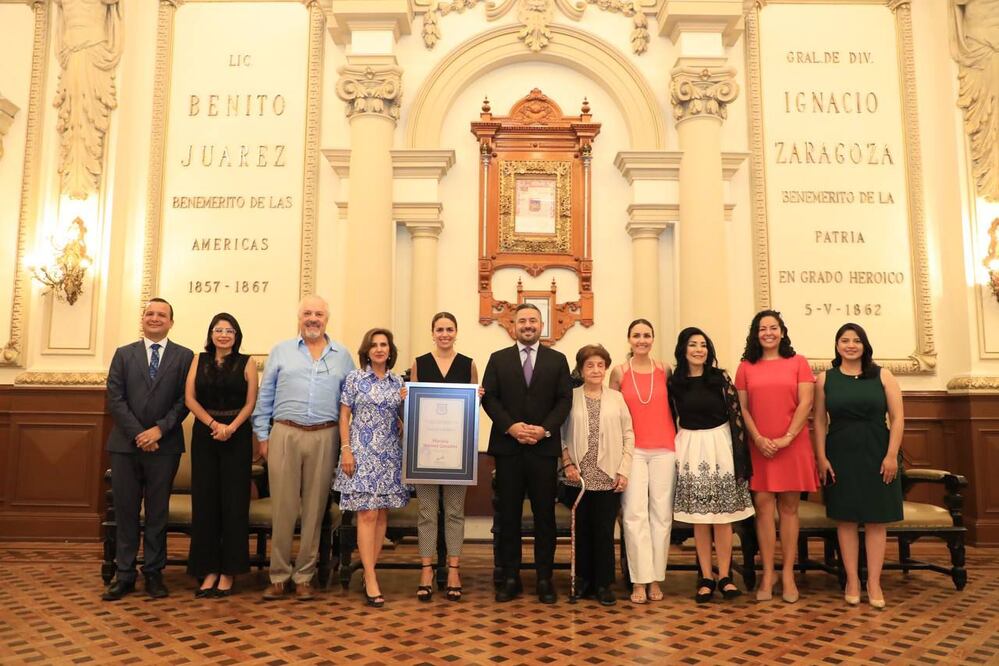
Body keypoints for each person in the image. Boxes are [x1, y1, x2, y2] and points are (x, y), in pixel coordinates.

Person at [252, 295, 355, 601]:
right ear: (299, 318)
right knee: (282, 508)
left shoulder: (343, 356)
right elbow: (265, 396)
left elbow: (349, 403)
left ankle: (304, 576)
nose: (313, 318)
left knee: (314, 509)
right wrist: (263, 436)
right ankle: (279, 575)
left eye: (319, 314)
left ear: (327, 319)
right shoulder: (281, 351)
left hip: (325, 437)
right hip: (284, 433)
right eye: (307, 313)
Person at [102, 298, 194, 601]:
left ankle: (154, 572)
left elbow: (184, 401)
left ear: (171, 322)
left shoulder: (184, 356)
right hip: (125, 447)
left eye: (162, 315)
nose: (155, 318)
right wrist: (140, 433)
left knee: (157, 513)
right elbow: (115, 399)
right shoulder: (123, 354)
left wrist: (159, 430)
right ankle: (125, 574)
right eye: (150, 314)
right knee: (127, 512)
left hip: (165, 446)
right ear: (142, 319)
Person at [482, 303, 573, 604]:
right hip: (508, 449)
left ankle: (544, 579)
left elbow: (564, 401)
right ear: (514, 325)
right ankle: (511, 577)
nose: (528, 325)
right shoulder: (498, 359)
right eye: (523, 321)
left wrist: (543, 430)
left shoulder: (557, 360)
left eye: (533, 320)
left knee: (544, 517)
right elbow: (490, 399)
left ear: (541, 324)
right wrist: (511, 427)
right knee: (508, 517)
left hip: (543, 451)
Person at [814, 323, 903, 609]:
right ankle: (852, 579)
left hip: (878, 451)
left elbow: (898, 418)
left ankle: (873, 582)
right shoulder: (824, 378)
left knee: (877, 520)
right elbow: (817, 421)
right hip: (840, 452)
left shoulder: (883, 375)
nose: (850, 345)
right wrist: (821, 457)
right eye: (844, 340)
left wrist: (891, 455)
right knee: (846, 519)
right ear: (837, 345)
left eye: (856, 340)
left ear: (865, 345)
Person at [735, 309, 817, 603]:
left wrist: (786, 438)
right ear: (755, 334)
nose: (768, 333)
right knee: (764, 508)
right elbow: (742, 409)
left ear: (782, 332)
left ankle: (788, 574)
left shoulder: (799, 363)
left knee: (790, 509)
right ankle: (767, 574)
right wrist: (758, 438)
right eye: (762, 329)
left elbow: (806, 403)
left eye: (773, 328)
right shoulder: (746, 366)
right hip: (760, 446)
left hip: (792, 445)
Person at [667, 327, 755, 603]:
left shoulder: (720, 378)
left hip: (721, 447)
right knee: (701, 519)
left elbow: (737, 416)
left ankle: (726, 576)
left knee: (723, 518)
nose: (698, 349)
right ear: (683, 349)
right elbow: (670, 417)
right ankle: (706, 576)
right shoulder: (675, 383)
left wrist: (740, 457)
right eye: (692, 344)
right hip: (691, 447)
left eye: (703, 345)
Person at [334, 328, 410, 608]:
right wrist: (346, 449)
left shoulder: (397, 382)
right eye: (374, 345)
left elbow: (401, 417)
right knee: (366, 514)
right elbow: (344, 416)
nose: (379, 349)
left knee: (380, 516)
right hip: (360, 452)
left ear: (390, 351)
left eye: (384, 345)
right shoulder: (354, 378)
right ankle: (370, 575)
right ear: (367, 350)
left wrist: (404, 415)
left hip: (389, 454)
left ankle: (369, 570)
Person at [184, 313, 257, 597]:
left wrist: (231, 428)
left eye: (229, 330)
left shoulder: (247, 362)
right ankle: (208, 570)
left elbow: (251, 402)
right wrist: (214, 425)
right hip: (205, 436)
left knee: (234, 506)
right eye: (218, 329)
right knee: (205, 505)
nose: (223, 334)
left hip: (237, 438)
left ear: (236, 335)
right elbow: (189, 398)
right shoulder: (198, 360)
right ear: (210, 334)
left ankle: (228, 572)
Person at [410, 312, 481, 602]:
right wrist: (407, 397)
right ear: (432, 332)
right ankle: (426, 570)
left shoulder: (468, 364)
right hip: (425, 453)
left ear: (456, 332)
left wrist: (478, 396)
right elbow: (414, 406)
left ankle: (453, 569)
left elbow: (474, 407)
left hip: (456, 455)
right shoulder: (420, 363)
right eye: (439, 329)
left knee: (454, 513)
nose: (444, 334)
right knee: (427, 512)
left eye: (449, 329)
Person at [609, 319, 677, 605]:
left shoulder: (665, 370)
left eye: (647, 335)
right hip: (632, 452)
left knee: (661, 517)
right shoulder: (618, 372)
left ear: (653, 339)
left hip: (665, 449)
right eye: (636, 335)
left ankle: (655, 579)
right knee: (634, 516)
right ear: (628, 339)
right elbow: (610, 413)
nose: (642, 340)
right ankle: (638, 579)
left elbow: (676, 408)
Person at [561, 344, 634, 606]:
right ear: (581, 370)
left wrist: (624, 470)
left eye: (600, 365)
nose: (595, 370)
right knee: (581, 532)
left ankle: (604, 584)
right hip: (579, 477)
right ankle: (583, 581)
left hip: (608, 476)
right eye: (589, 365)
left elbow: (628, 434)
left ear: (605, 368)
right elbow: (561, 435)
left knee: (604, 532)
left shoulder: (617, 398)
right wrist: (568, 464)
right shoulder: (571, 396)